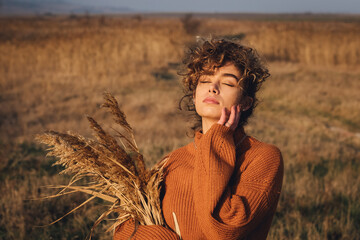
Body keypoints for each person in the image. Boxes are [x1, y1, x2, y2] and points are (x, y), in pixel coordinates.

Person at [114, 39, 284, 240]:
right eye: (205, 81)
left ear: (246, 103)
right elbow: (124, 227)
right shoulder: (172, 161)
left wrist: (218, 140)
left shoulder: (262, 157)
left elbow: (224, 228)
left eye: (228, 82)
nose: (213, 87)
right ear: (194, 96)